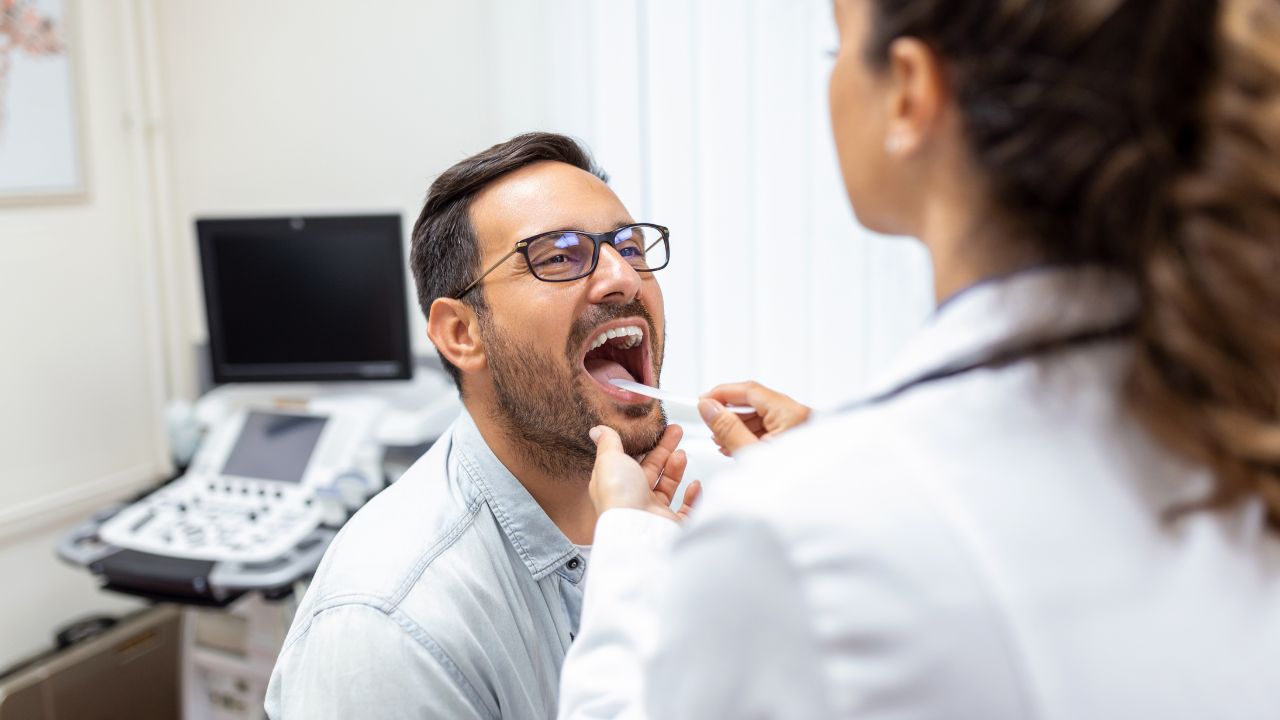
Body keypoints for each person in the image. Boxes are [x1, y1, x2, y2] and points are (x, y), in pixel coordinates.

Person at [560, 0, 1280, 717]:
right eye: (560, 257)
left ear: (908, 89)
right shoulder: (1237, 420)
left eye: (835, 49)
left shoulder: (794, 535)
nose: (619, 276)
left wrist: (629, 540)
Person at [266, 132, 695, 719]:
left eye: (630, 245)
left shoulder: (670, 516)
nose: (623, 276)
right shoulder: (391, 627)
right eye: (559, 255)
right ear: (461, 334)